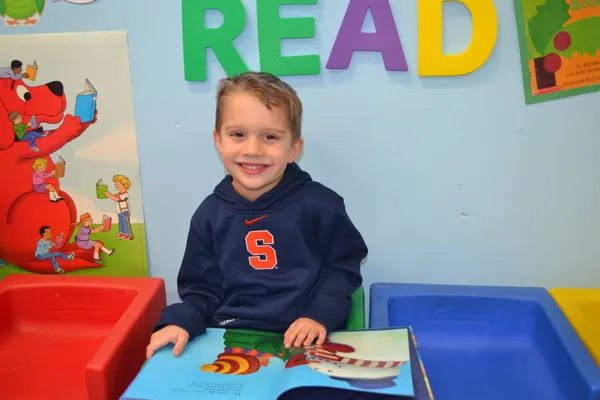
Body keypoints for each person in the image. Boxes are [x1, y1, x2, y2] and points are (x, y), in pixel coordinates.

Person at [146, 72, 368, 360]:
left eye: (270, 137)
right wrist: (181, 321)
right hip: (233, 335)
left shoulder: (321, 205)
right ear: (218, 140)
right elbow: (201, 291)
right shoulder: (209, 215)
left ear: (294, 149)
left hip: (307, 334)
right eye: (238, 134)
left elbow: (343, 269)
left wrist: (318, 315)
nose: (252, 150)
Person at [104, 175, 133, 240]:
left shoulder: (125, 194)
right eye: (115, 184)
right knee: (121, 222)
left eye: (117, 184)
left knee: (125, 223)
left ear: (124, 185)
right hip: (120, 211)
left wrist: (109, 195)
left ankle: (128, 235)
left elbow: (116, 199)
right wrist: (108, 194)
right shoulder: (119, 193)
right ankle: (122, 233)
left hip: (124, 211)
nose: (115, 186)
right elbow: (114, 196)